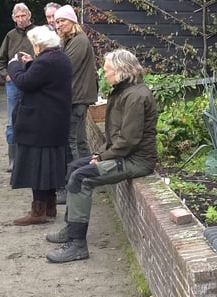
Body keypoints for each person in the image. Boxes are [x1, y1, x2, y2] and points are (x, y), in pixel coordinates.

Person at [45, 49, 157, 263]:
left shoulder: (135, 96)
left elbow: (128, 141)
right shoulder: (125, 91)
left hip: (136, 161)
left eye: (107, 71)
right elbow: (118, 137)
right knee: (74, 168)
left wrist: (102, 157)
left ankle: (78, 245)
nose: (104, 75)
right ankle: (71, 229)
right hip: (123, 154)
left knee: (82, 177)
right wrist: (100, 154)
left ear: (121, 71)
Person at [6, 25, 72, 225]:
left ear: (39, 45)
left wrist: (14, 65)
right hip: (54, 123)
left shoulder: (45, 62)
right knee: (49, 166)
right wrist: (30, 63)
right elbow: (40, 77)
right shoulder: (60, 58)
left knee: (38, 167)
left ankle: (38, 212)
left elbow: (24, 82)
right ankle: (50, 206)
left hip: (39, 124)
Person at [53, 5, 98, 164]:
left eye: (63, 20)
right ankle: (85, 173)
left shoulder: (79, 40)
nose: (59, 25)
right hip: (75, 95)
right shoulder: (69, 40)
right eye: (57, 22)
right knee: (79, 140)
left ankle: (74, 176)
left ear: (72, 20)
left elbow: (66, 67)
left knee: (71, 140)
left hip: (77, 97)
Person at [0, 3, 35, 173]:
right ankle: (13, 159)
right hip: (13, 84)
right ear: (13, 18)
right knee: (12, 121)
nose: (20, 19)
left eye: (23, 16)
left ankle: (31, 157)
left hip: (34, 82)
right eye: (17, 17)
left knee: (33, 119)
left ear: (29, 15)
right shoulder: (10, 36)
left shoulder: (38, 33)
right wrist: (6, 75)